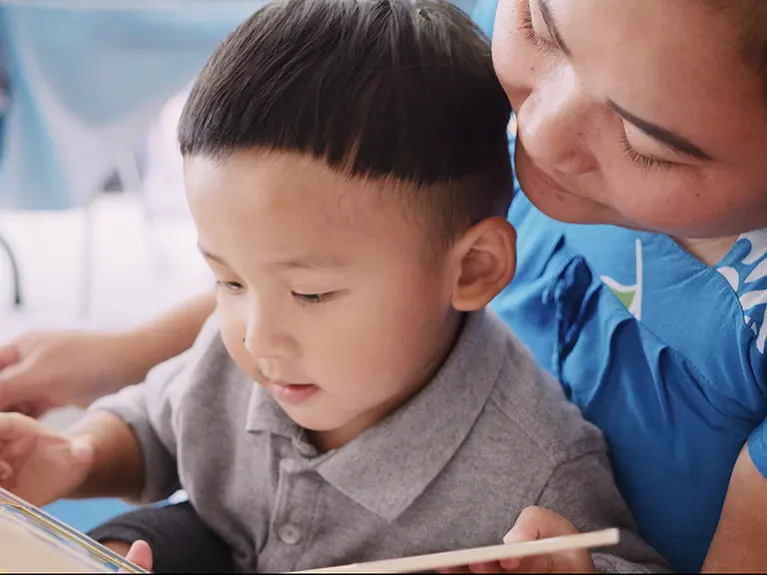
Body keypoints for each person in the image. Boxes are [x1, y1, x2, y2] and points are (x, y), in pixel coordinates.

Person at [2, 0, 766, 571]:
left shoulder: (540, 468)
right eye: (538, 26)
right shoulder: (432, 83)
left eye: (643, 141)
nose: (533, 134)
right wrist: (81, 442)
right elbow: (167, 414)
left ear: (473, 268)